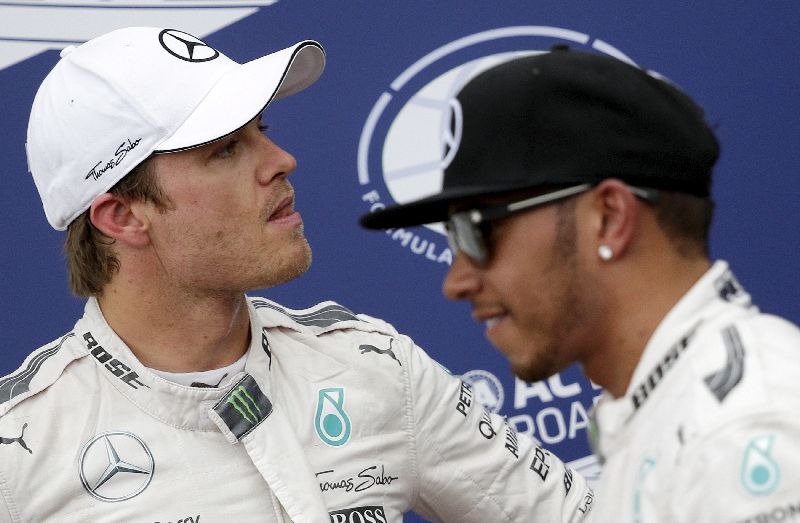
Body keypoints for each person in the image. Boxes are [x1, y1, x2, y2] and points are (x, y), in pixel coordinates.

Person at [0, 27, 595, 522]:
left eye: (264, 131)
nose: (281, 161)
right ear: (123, 216)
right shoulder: (19, 452)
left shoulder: (374, 364)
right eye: (226, 149)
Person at [359, 47, 800, 521]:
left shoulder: (741, 429)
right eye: (450, 236)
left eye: (477, 228)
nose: (456, 280)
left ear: (609, 218)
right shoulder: (665, 408)